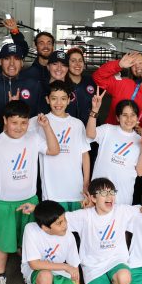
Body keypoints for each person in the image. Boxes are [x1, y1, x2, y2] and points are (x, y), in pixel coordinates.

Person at [0, 101, 60, 284]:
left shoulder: (33, 138)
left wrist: (46, 127)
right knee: (2, 243)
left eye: (23, 123)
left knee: (28, 242)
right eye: (14, 122)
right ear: (5, 120)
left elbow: (54, 150)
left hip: (29, 201)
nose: (19, 127)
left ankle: (29, 275)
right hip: (2, 203)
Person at [62, 178, 136, 284]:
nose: (109, 197)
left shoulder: (121, 211)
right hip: (93, 265)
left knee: (124, 280)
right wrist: (35, 209)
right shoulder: (85, 215)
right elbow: (58, 218)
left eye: (112, 192)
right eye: (103, 193)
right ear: (93, 198)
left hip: (115, 260)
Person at [30, 81, 91, 211]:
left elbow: (85, 155)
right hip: (52, 192)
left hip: (77, 191)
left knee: (75, 223)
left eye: (63, 99)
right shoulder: (39, 121)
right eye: (54, 98)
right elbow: (17, 128)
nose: (58, 103)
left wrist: (86, 183)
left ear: (69, 100)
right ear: (47, 99)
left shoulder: (77, 124)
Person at [20, 200, 84, 284]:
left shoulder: (69, 236)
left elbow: (74, 266)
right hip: (37, 271)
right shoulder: (31, 229)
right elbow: (34, 264)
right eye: (59, 223)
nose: (65, 225)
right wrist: (64, 266)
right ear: (45, 228)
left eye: (64, 220)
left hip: (58, 271)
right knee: (45, 277)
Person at [86, 94, 142, 206]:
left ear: (137, 118)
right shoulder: (107, 129)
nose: (129, 119)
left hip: (123, 198)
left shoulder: (141, 140)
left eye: (133, 115)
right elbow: (90, 134)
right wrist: (94, 110)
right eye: (125, 115)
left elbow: (140, 172)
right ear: (118, 118)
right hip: (99, 194)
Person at [0, 42, 44, 129]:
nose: (12, 63)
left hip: (25, 136)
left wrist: (18, 108)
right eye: (7, 59)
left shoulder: (34, 86)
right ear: (0, 62)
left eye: (16, 59)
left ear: (22, 63)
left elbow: (40, 118)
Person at [92, 52, 142, 130]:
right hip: (111, 133)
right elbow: (97, 77)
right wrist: (118, 65)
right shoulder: (124, 84)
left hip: (134, 137)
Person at [65, 47, 97, 122]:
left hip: (90, 126)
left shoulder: (91, 81)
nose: (77, 64)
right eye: (73, 61)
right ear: (67, 63)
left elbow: (95, 110)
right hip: (68, 128)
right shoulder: (62, 84)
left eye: (80, 60)